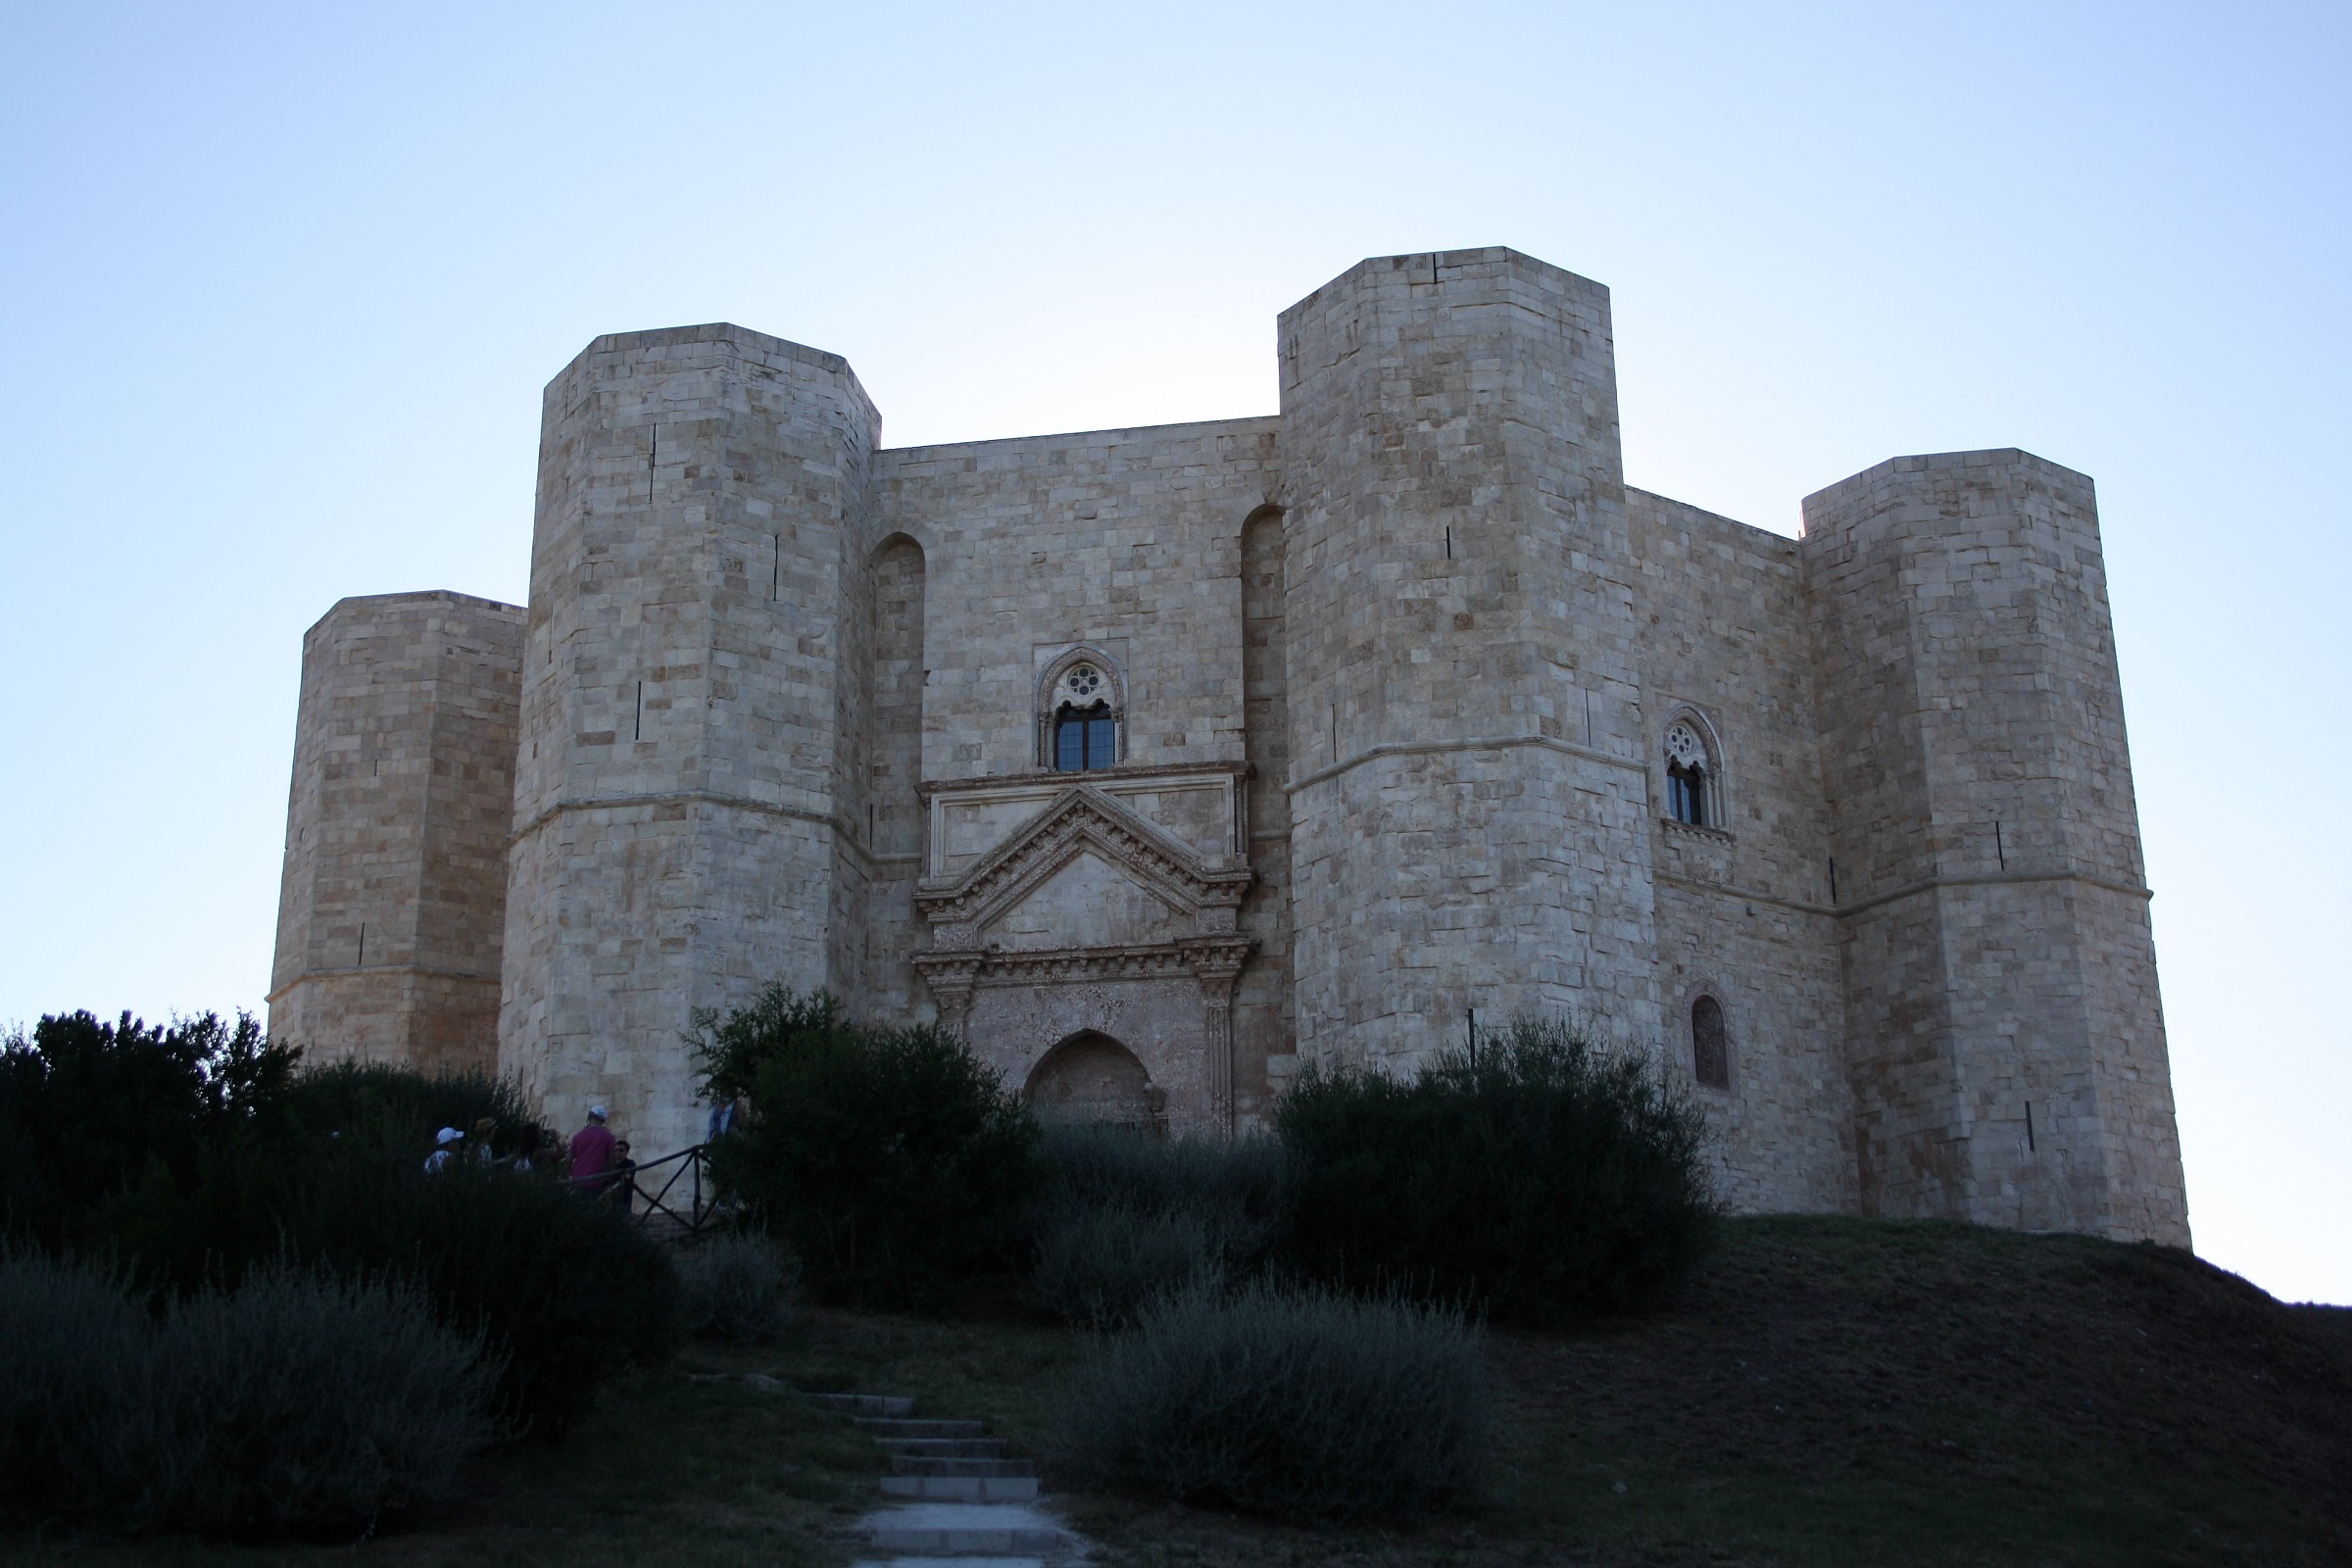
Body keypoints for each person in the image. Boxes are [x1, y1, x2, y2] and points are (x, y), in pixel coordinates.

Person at [568, 1104, 616, 1195]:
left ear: (589, 1116)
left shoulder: (577, 1136)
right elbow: (611, 1161)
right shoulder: (609, 1137)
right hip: (597, 1182)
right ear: (603, 1120)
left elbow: (569, 1159)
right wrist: (612, 1180)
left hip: (577, 1181)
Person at [607, 1139, 638, 1213]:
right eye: (616, 1150)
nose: (618, 1152)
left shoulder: (630, 1163)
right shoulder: (610, 1165)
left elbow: (627, 1176)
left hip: (624, 1198)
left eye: (621, 1150)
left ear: (626, 1152)